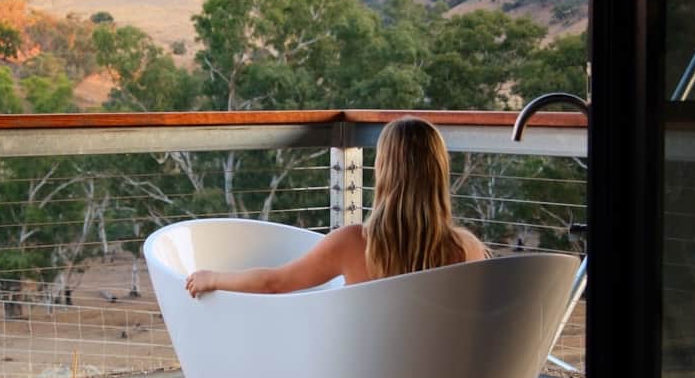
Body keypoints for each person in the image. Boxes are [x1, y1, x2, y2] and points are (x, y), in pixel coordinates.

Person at [185, 116, 488, 297]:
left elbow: (274, 283)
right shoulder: (467, 249)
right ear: (439, 171)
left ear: (382, 169)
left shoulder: (354, 243)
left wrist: (213, 278)